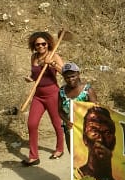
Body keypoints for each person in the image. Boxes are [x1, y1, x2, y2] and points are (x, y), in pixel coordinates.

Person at [23, 31, 65, 166]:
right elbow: (36, 74)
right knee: (32, 124)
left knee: (57, 123)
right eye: (37, 44)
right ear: (34, 46)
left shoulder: (54, 55)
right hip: (38, 96)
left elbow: (66, 72)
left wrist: (52, 63)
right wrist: (30, 78)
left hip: (53, 94)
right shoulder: (34, 57)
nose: (41, 46)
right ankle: (34, 156)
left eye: (43, 44)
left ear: (48, 44)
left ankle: (59, 149)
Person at [59, 62, 96, 148]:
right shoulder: (62, 91)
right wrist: (66, 121)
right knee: (73, 155)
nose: (70, 79)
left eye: (73, 76)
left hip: (86, 130)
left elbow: (95, 110)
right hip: (70, 129)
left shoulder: (87, 90)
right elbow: (60, 110)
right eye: (67, 77)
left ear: (78, 74)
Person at [76, 106, 117, 180]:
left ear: (114, 141)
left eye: (107, 132)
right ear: (85, 139)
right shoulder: (76, 177)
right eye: (94, 131)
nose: (101, 139)